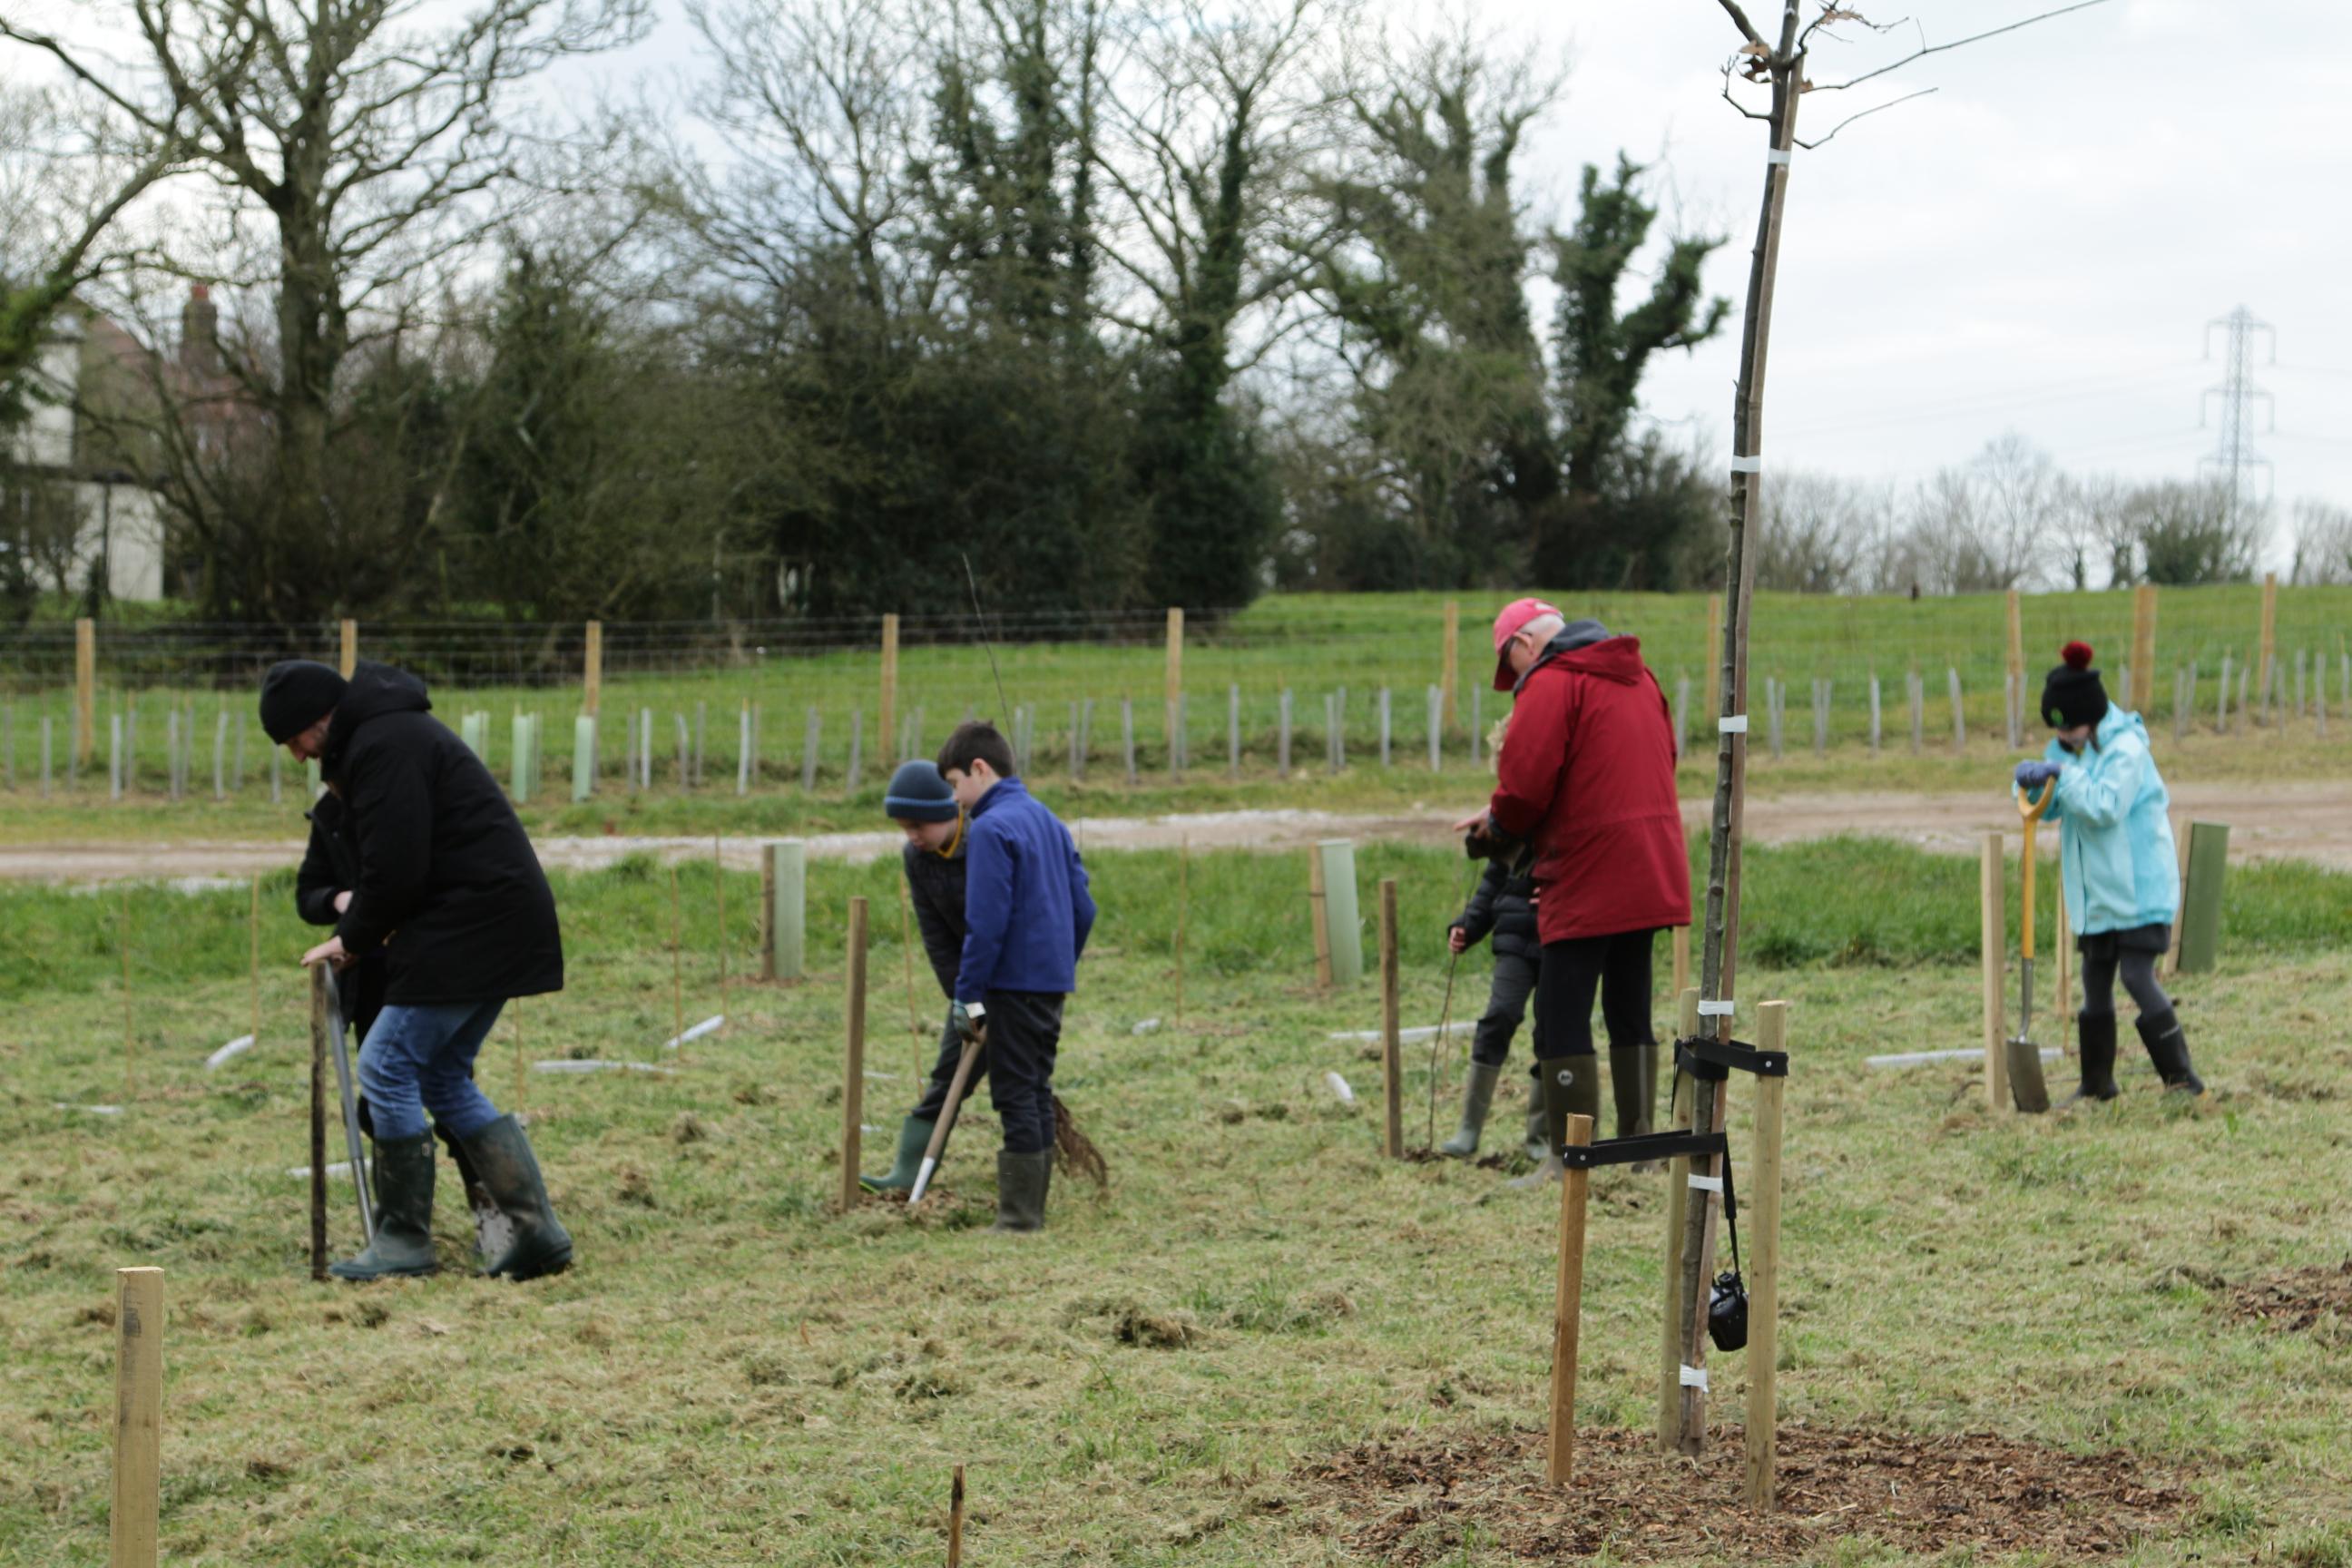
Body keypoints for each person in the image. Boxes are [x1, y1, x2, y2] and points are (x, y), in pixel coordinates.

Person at [260, 658, 573, 1281]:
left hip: (471, 924)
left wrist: (349, 938)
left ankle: (404, 1240)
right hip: (490, 920)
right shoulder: (385, 737)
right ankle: (536, 1232)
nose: (298, 756)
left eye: (294, 738)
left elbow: (397, 869)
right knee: (442, 1076)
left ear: (319, 718)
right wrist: (354, 929)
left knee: (385, 1066)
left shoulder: (384, 744)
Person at [1455, 600, 1690, 1181]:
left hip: (1587, 870)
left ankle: (1570, 1158)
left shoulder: (1552, 682)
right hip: (1649, 865)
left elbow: (1525, 786)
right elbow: (1658, 760)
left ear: (1523, 644)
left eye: (1510, 663)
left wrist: (1497, 826)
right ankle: (1641, 1150)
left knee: (1560, 1013)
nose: (1516, 677)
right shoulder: (1640, 678)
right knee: (1630, 1007)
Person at [2014, 640, 2202, 1101]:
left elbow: (2104, 806)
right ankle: (2097, 1084)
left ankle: (2183, 1081)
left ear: (2093, 717)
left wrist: (2063, 775)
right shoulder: (2067, 750)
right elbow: (2054, 806)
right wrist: (2032, 786)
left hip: (2138, 892)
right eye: (2057, 731)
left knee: (2136, 977)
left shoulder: (2127, 750)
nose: (2064, 738)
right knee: (2094, 983)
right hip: (2096, 895)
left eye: (2071, 728)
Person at [936, 720, 1095, 1232]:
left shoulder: (990, 828)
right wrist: (1058, 962)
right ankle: (1029, 1211)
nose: (955, 800)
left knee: (1015, 1094)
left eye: (955, 784)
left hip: (1011, 985)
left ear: (980, 769)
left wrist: (968, 998)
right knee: (1035, 1087)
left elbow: (985, 924)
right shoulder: (1049, 820)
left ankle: (1020, 1218)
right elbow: (1084, 907)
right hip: (1049, 983)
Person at [861, 760, 979, 1193]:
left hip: (1017, 980)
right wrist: (963, 998)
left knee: (1019, 1083)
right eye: (903, 827)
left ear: (948, 813)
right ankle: (908, 1173)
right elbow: (937, 937)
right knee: (948, 1073)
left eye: (918, 825)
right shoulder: (917, 858)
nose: (911, 835)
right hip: (969, 986)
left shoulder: (986, 843)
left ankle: (1026, 1177)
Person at [1439, 854, 1547, 1161]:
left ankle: (1540, 1137)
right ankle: (1468, 1130)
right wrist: (1467, 926)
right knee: (1499, 1015)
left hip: (1562, 940)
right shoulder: (1513, 834)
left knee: (1552, 1033)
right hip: (1513, 940)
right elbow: (1492, 883)